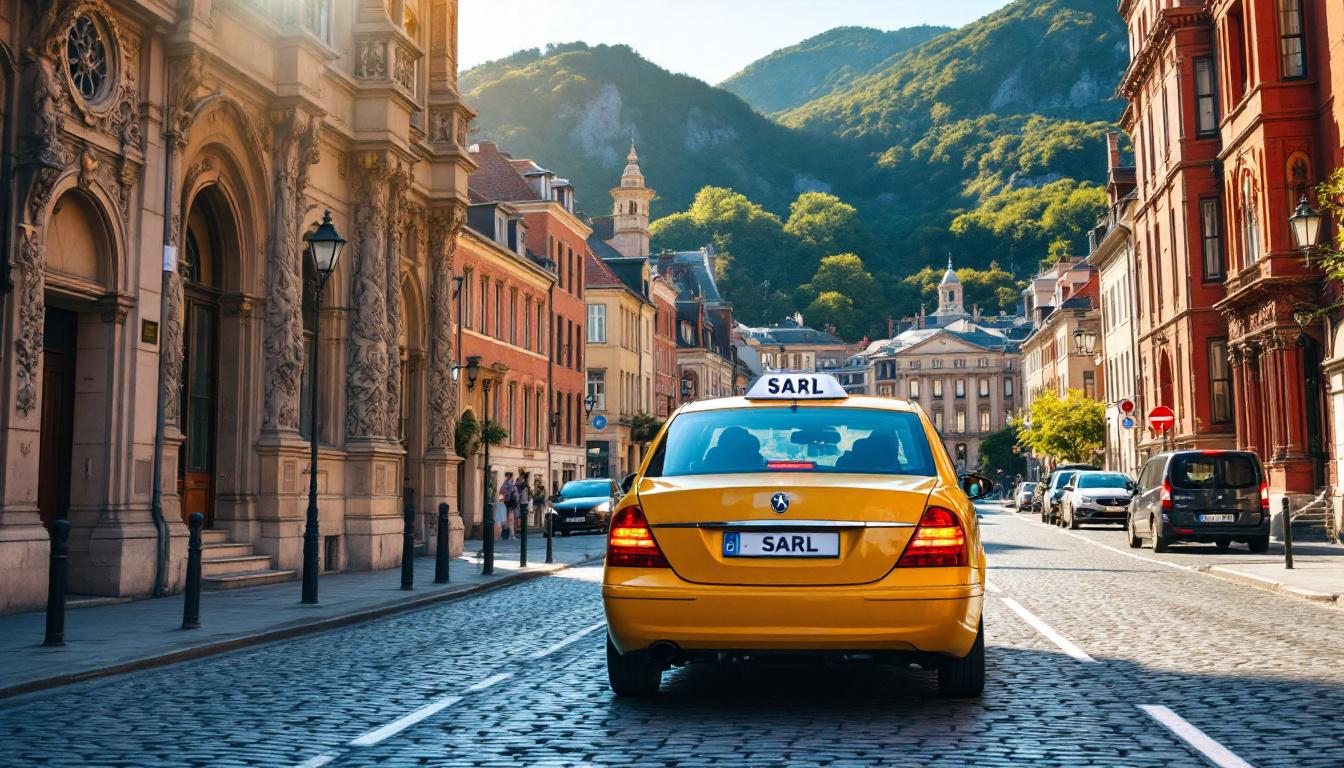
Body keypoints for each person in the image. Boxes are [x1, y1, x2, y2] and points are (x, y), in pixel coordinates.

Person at [499, 472, 517, 540]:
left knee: (505, 518)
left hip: (506, 502)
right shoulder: (511, 484)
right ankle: (511, 534)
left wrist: (501, 501)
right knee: (510, 519)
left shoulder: (505, 484)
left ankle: (505, 534)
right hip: (510, 502)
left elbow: (501, 493)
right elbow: (515, 495)